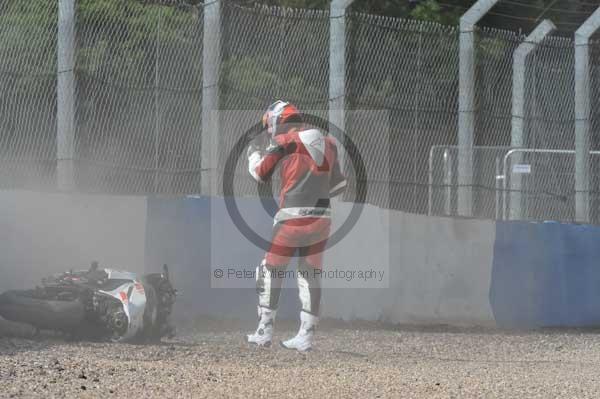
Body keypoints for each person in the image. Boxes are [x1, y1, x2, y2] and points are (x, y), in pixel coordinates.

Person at [245, 100, 346, 351]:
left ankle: (264, 332)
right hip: (322, 218)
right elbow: (339, 186)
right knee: (309, 273)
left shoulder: (283, 143)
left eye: (270, 124)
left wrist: (253, 154)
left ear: (278, 120)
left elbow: (259, 173)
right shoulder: (330, 142)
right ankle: (306, 336)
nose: (270, 129)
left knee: (269, 270)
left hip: (291, 216)